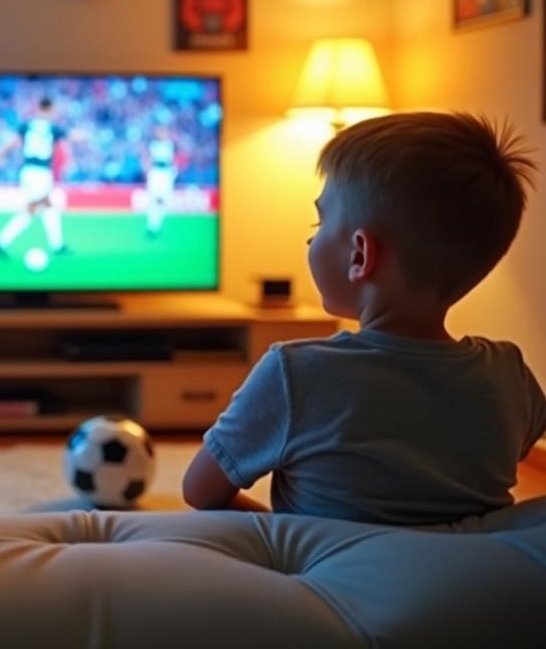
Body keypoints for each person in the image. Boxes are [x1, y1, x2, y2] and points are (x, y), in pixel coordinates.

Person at [183, 112, 545, 525]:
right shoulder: (509, 375)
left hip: (330, 581)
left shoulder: (296, 373)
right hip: (465, 586)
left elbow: (200, 490)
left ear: (360, 255)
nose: (310, 237)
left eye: (319, 222)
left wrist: (285, 533)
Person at [0, 97, 70, 257]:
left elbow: (12, 142)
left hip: (28, 170)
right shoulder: (52, 127)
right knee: (32, 209)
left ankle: (57, 245)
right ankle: (1, 241)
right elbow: (71, 136)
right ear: (49, 108)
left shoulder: (27, 124)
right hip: (40, 172)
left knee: (47, 207)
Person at [143, 124, 179, 239]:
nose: (161, 134)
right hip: (156, 172)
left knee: (164, 199)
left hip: (166, 173)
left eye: (163, 131)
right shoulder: (153, 145)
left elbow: (174, 160)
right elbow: (148, 159)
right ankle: (152, 226)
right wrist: (147, 172)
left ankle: (157, 224)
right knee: (154, 199)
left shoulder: (171, 145)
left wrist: (174, 171)